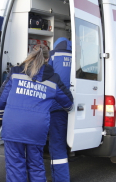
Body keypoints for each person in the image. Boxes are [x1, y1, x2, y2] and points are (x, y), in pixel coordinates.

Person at [0, 44, 73, 182]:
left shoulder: (15, 73)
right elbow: (68, 102)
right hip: (36, 128)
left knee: (15, 166)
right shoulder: (53, 78)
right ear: (47, 59)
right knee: (36, 166)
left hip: (13, 125)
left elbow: (2, 98)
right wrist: (68, 110)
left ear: (29, 56)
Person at [48, 37, 72, 182]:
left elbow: (47, 77)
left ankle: (61, 179)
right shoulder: (76, 55)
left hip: (56, 107)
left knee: (57, 146)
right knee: (63, 142)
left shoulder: (54, 55)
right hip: (71, 105)